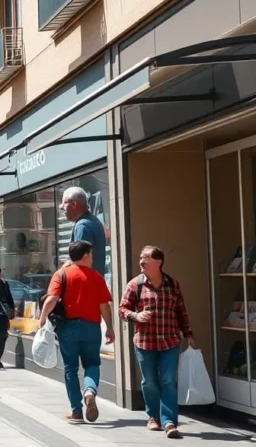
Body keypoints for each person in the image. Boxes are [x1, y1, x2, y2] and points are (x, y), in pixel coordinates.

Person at [119, 246, 194, 438]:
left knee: (168, 381)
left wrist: (188, 334)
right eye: (140, 258)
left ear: (158, 261)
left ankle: (169, 422)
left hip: (170, 341)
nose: (141, 262)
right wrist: (136, 315)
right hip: (145, 342)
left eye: (145, 258)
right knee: (149, 382)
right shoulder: (135, 285)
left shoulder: (172, 285)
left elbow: (181, 311)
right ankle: (153, 417)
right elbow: (122, 310)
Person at [38, 240, 115, 424]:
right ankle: (89, 391)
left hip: (68, 328)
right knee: (92, 364)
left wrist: (42, 319)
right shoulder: (96, 277)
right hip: (91, 328)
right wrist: (110, 328)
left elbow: (52, 299)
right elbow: (104, 305)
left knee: (70, 369)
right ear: (87, 255)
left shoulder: (61, 274)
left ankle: (77, 412)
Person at [62, 186, 107, 276]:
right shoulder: (94, 221)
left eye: (64, 204)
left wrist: (60, 273)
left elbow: (79, 262)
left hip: (86, 285)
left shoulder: (82, 226)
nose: (62, 208)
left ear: (74, 204)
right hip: (95, 282)